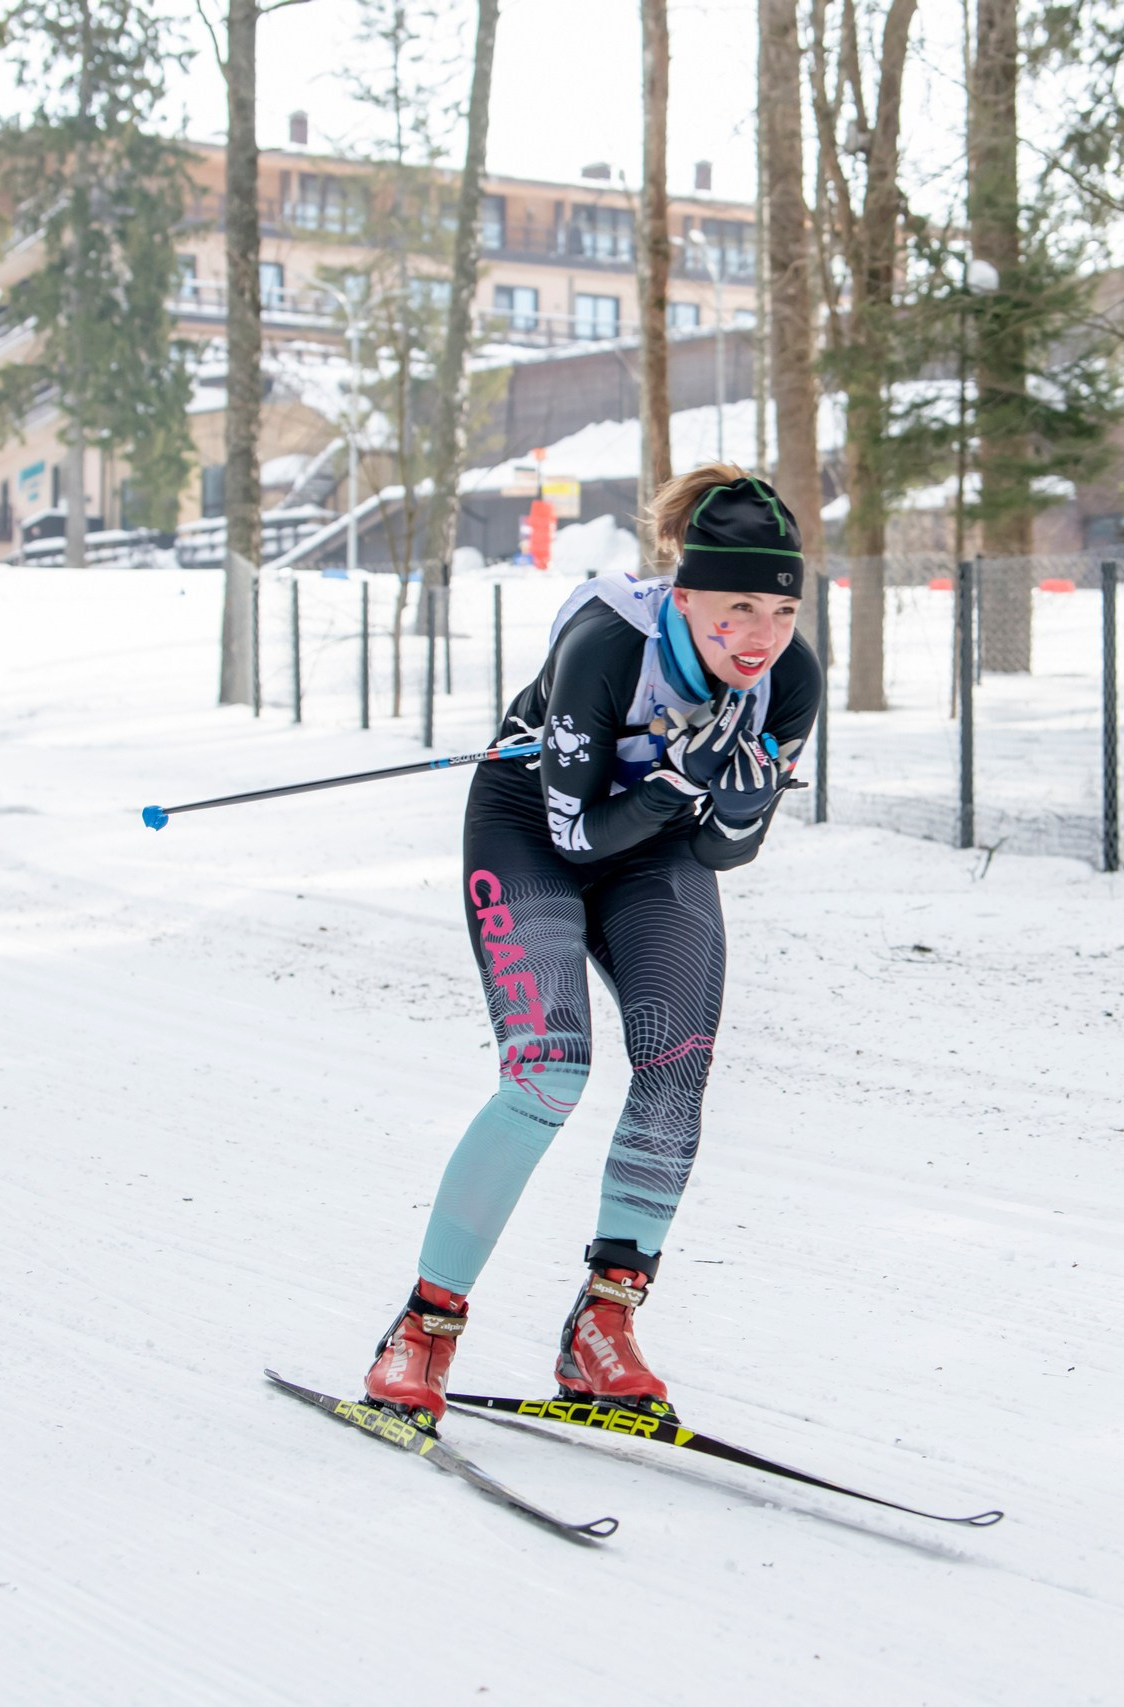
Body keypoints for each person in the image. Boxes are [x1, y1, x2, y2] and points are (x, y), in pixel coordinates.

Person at [364, 465, 820, 1428]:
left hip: (650, 855)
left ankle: (602, 1324)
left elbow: (722, 850)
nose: (759, 636)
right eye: (736, 607)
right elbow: (575, 833)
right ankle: (425, 1325)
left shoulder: (792, 679)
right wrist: (671, 784)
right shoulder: (610, 639)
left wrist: (735, 806)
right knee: (547, 1074)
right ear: (684, 594)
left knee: (676, 1063)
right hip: (532, 830)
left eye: (779, 611)